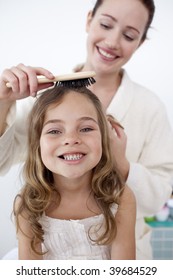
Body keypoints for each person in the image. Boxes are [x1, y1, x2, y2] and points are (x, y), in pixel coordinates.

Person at [0, 0, 173, 259]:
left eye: (128, 35)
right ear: (89, 20)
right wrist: (3, 101)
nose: (113, 41)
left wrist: (121, 164)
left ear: (141, 42)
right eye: (105, 24)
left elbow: (161, 197)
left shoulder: (150, 107)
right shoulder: (42, 97)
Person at [13, 85, 136, 260]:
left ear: (103, 138)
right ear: (37, 144)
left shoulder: (120, 197)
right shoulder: (27, 204)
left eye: (86, 129)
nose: (71, 140)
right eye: (54, 131)